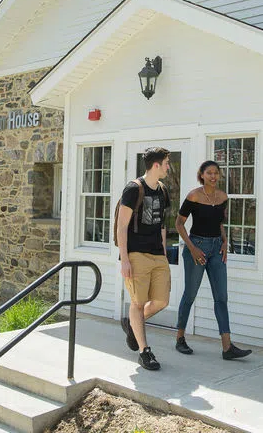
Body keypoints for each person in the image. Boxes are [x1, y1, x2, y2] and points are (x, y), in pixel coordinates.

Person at [174, 160, 252, 360]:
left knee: (221, 297)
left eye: (216, 173)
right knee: (190, 294)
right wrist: (192, 249)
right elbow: (179, 224)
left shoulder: (222, 197)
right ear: (201, 175)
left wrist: (225, 242)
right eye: (209, 173)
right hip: (197, 247)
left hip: (217, 248)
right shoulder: (194, 195)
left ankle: (227, 348)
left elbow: (219, 223)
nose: (213, 176)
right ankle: (180, 338)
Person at [117, 147, 172, 371]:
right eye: (167, 163)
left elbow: (161, 225)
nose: (169, 167)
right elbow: (122, 226)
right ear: (156, 165)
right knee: (138, 303)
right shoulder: (133, 189)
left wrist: (165, 253)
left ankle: (132, 325)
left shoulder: (163, 190)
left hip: (158, 254)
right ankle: (144, 351)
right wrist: (125, 259)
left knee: (162, 301)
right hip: (136, 253)